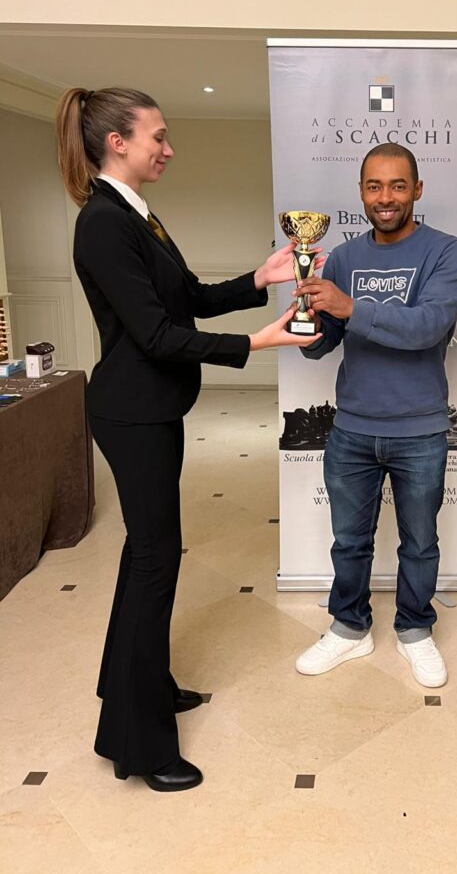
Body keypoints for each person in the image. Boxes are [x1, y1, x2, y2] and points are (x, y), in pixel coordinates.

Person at [55, 87, 319, 791]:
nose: (168, 149)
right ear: (117, 142)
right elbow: (156, 335)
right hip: (132, 414)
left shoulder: (132, 213)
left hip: (151, 410)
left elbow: (186, 298)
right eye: (158, 136)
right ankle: (140, 746)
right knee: (155, 561)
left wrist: (258, 278)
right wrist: (257, 343)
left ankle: (136, 686)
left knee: (147, 555)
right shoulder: (103, 224)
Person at [293, 143, 457, 688]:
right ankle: (350, 627)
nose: (385, 197)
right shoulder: (342, 259)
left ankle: (415, 629)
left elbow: (427, 328)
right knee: (349, 541)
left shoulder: (448, 251)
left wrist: (349, 306)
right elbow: (326, 343)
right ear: (361, 193)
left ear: (417, 189)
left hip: (419, 429)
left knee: (419, 543)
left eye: (397, 185)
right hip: (352, 428)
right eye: (374, 186)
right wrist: (306, 322)